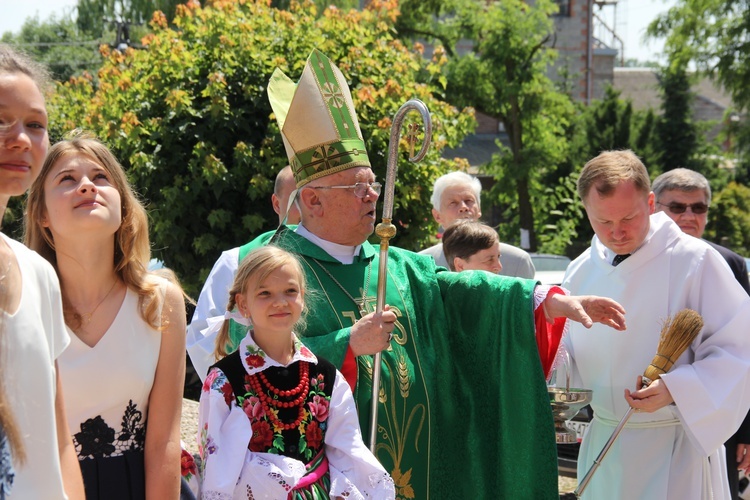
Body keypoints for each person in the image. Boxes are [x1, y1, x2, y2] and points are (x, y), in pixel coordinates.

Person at [190, 48, 628, 498]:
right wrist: (345, 347)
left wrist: (543, 300)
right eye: (357, 187)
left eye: (372, 184)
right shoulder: (268, 268)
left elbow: (467, 294)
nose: (370, 197)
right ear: (313, 201)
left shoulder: (400, 267)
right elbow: (227, 366)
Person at [562, 150, 750, 499]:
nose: (617, 233)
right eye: (603, 221)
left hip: (674, 446)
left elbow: (738, 352)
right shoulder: (580, 270)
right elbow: (566, 356)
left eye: (628, 218)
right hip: (605, 443)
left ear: (650, 203)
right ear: (586, 211)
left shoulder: (696, 260)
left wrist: (677, 390)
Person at [25, 132, 187, 499]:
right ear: (42, 215)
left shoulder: (161, 302)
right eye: (67, 179)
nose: (86, 186)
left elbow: (164, 441)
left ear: (124, 208)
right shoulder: (21, 305)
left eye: (100, 178)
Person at [197, 245, 395, 498]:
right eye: (265, 293)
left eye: (290, 291)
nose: (280, 302)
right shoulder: (224, 381)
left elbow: (347, 451)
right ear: (243, 303)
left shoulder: (326, 376)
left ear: (303, 296)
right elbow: (217, 471)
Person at [0, 44, 84, 499]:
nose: (20, 139)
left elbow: (59, 441)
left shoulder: (39, 275)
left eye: (35, 125)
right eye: (1, 121)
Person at [652, 167, 750, 498]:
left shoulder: (728, 263)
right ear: (654, 207)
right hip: (647, 419)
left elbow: (742, 349)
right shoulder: (637, 260)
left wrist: (747, 430)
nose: (689, 215)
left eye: (699, 207)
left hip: (714, 416)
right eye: (677, 207)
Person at [187, 165, 300, 380]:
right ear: (277, 204)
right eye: (297, 198)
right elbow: (201, 339)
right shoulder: (236, 261)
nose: (309, 208)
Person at [418, 170, 536, 278]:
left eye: (469, 201)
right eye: (453, 203)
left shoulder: (517, 262)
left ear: (479, 209)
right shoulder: (419, 266)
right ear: (437, 215)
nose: (463, 207)